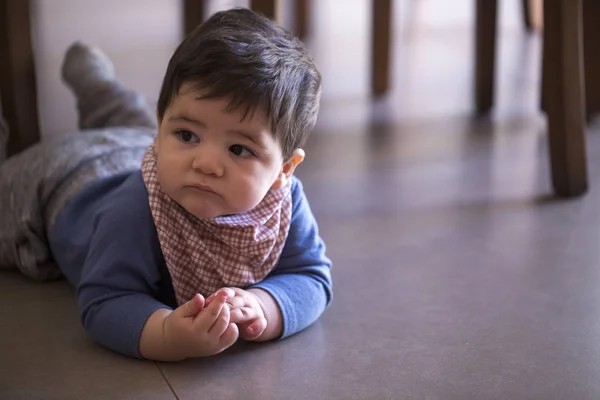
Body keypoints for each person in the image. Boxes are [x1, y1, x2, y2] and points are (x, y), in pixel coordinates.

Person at [0, 8, 332, 361]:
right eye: (186, 134)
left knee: (130, 126)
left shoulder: (284, 202)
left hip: (129, 144)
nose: (205, 163)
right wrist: (164, 334)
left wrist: (264, 304)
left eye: (239, 149)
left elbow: (311, 276)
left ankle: (98, 87)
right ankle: (98, 89)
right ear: (162, 130)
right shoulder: (134, 209)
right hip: (63, 177)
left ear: (284, 169)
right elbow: (105, 299)